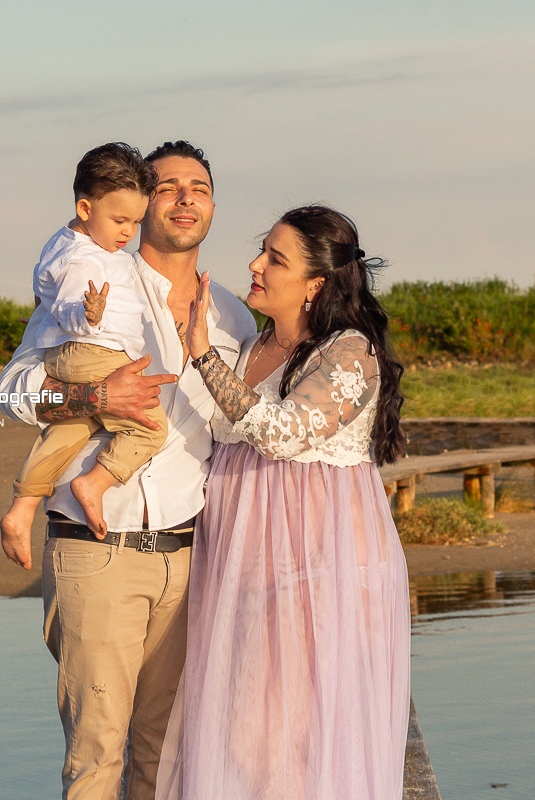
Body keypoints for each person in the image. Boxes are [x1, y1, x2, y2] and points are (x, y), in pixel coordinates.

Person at [0, 141, 256, 800]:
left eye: (198, 187)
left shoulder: (234, 316)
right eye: (168, 186)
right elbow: (13, 389)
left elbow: (242, 430)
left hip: (189, 556)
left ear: (213, 205)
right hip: (98, 550)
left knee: (164, 757)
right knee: (96, 757)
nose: (185, 198)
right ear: (140, 205)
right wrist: (94, 399)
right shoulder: (95, 276)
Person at [164, 205, 411, 799]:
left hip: (317, 565)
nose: (255, 265)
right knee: (242, 729)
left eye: (275, 258)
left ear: (315, 283)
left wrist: (202, 355)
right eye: (262, 250)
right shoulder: (252, 349)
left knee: (299, 732)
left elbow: (282, 432)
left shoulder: (347, 352)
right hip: (243, 561)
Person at [0, 142, 166, 551]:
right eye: (120, 220)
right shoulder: (84, 258)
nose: (128, 232)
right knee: (152, 427)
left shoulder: (78, 244)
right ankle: (95, 482)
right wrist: (86, 316)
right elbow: (72, 306)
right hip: (94, 350)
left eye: (136, 221)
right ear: (86, 209)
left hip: (81, 355)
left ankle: (21, 507)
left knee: (70, 429)